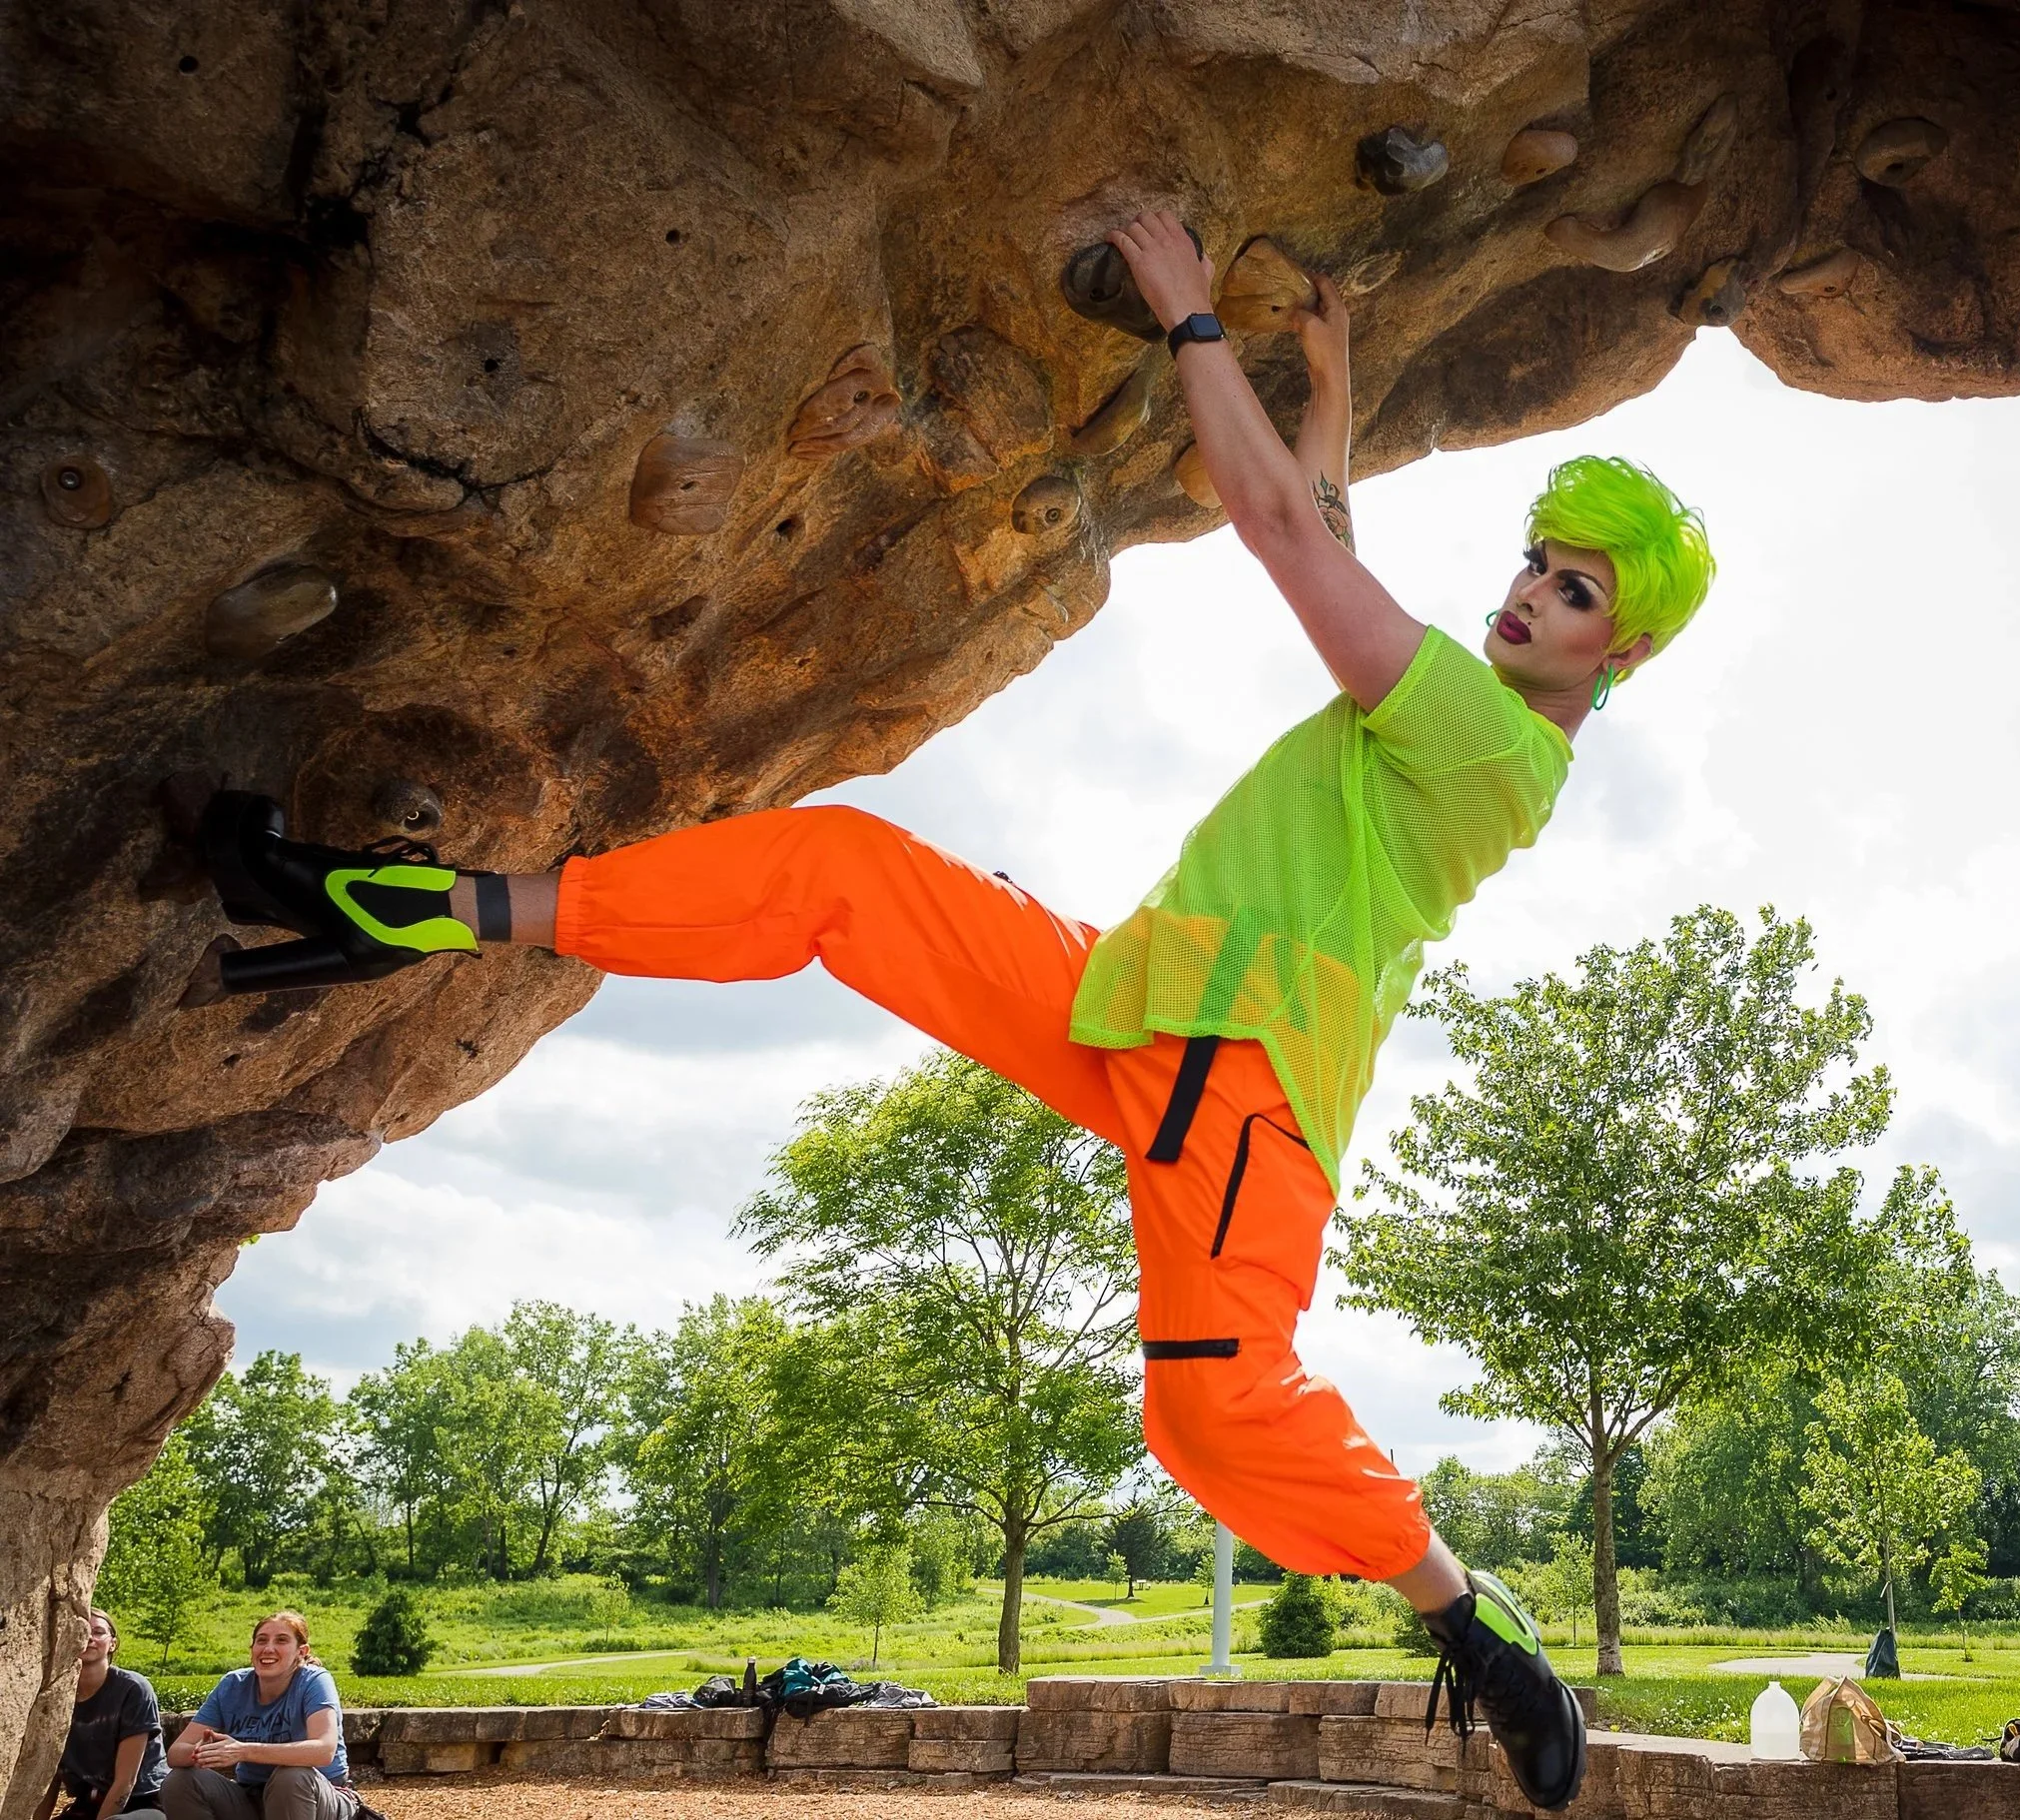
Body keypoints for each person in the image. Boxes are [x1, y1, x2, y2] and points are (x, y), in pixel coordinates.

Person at [192, 210, 1714, 1813]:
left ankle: (1471, 1624)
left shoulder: (1491, 743)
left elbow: (1283, 536)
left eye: (1581, 594)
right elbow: (1321, 519)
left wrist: (1197, 317)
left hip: (1252, 1085)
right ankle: (430, 909)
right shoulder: (1450, 698)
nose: (1536, 595)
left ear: (1615, 661)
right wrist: (1332, 378)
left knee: (1206, 1409)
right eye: (1538, 568)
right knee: (845, 874)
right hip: (1139, 995)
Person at [162, 1612, 356, 1820]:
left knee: (290, 1777)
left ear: (301, 1652)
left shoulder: (314, 1682)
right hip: (251, 1796)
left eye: (281, 1640)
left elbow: (323, 1750)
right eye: (261, 1640)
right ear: (252, 1650)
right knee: (180, 1781)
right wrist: (210, 1751)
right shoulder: (233, 1685)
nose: (268, 1648)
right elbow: (176, 1753)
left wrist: (243, 1751)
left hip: (319, 1797)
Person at [37, 1610, 165, 1820]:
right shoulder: (54, 1695)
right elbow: (48, 1777)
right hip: (89, 1803)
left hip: (143, 1801)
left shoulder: (133, 1689)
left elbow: (126, 1780)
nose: (89, 1638)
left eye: (98, 1632)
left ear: (112, 1644)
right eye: (83, 1631)